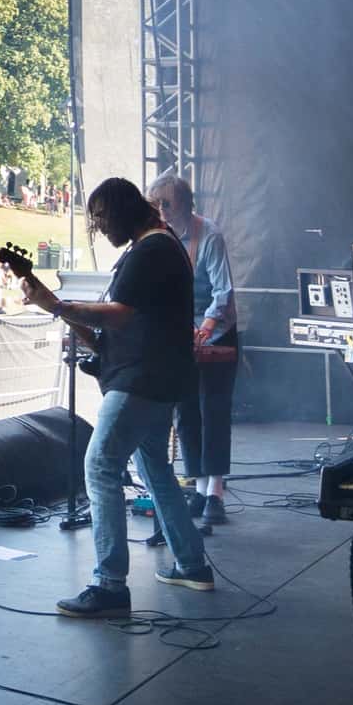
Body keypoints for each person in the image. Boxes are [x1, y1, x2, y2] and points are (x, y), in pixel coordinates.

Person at [5, 178, 214, 617]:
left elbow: (118, 316)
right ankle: (192, 563)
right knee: (153, 466)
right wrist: (53, 304)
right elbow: (113, 335)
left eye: (100, 216)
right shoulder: (154, 248)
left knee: (100, 464)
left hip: (143, 380)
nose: (97, 226)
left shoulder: (152, 250)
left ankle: (110, 585)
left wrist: (61, 308)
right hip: (155, 377)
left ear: (121, 209)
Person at [153, 175, 239, 528]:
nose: (160, 211)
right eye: (156, 204)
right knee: (186, 413)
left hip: (218, 333)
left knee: (214, 412)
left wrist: (204, 328)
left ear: (185, 205)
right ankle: (199, 487)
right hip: (181, 334)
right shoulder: (160, 239)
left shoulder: (210, 235)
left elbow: (223, 291)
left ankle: (215, 492)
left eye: (166, 204)